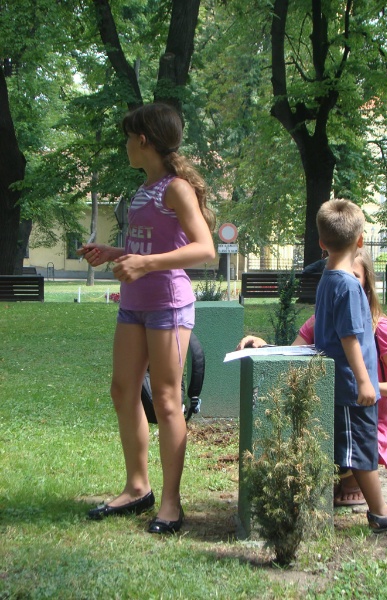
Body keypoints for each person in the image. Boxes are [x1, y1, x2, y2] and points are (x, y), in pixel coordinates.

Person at [78, 103, 215, 534]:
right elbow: (148, 247)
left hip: (168, 305)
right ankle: (138, 487)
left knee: (167, 400)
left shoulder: (176, 189)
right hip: (133, 303)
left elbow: (205, 249)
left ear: (143, 140)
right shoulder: (144, 188)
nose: (125, 145)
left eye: (128, 137)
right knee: (123, 391)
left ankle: (171, 504)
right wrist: (115, 254)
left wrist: (145, 264)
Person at [237, 247, 387, 506]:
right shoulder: (317, 322)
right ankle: (339, 476)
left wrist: (368, 386)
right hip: (328, 413)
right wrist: (264, 346)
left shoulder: (382, 328)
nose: (345, 282)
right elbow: (294, 355)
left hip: (365, 418)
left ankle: (353, 480)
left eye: (354, 276)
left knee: (349, 439)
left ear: (367, 283)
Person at [314, 199, 387, 533]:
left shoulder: (328, 278)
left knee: (358, 448)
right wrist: (364, 381)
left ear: (321, 243)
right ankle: (380, 514)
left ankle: (377, 509)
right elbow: (349, 337)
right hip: (351, 387)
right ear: (360, 240)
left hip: (344, 384)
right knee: (361, 450)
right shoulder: (347, 284)